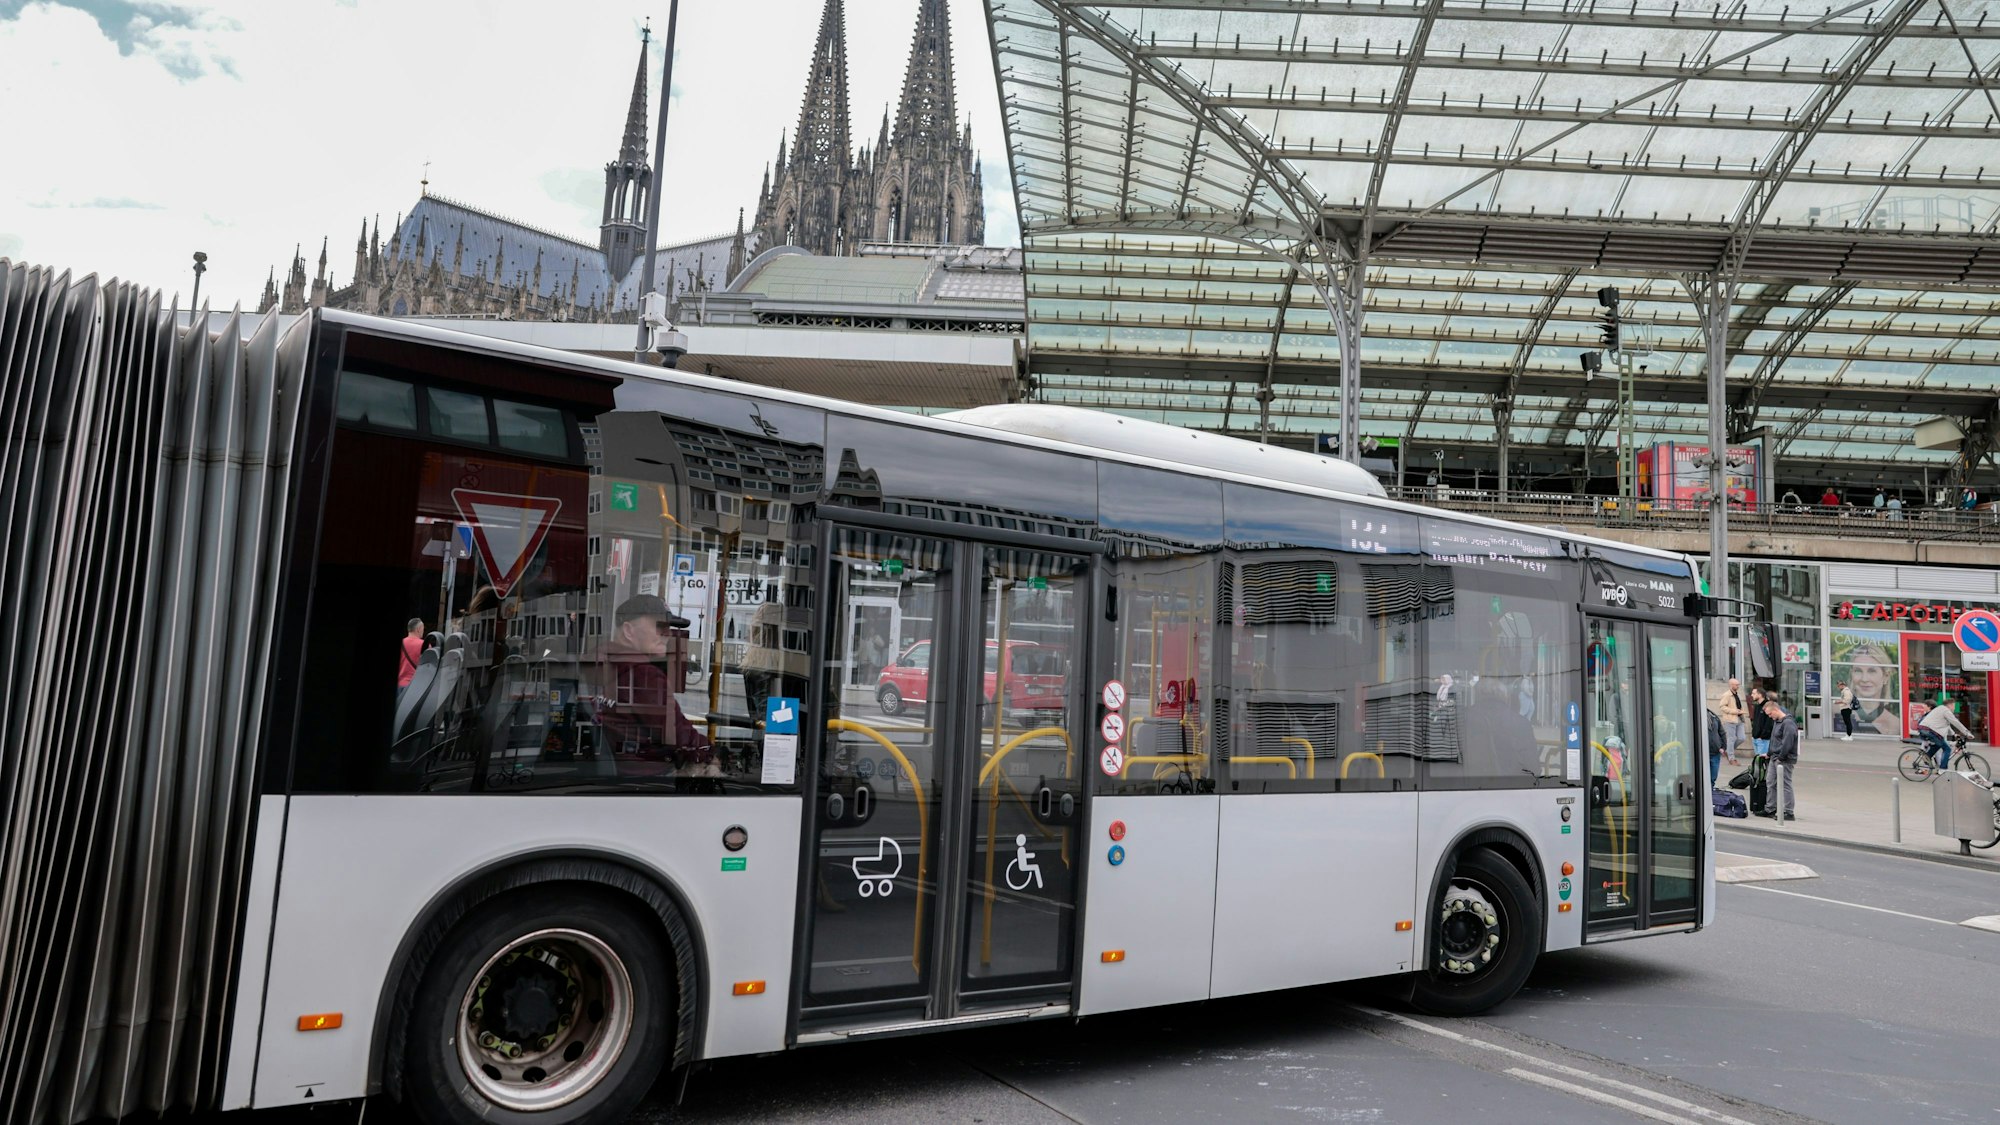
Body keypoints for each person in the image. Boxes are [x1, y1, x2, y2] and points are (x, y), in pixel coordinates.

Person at [598, 594, 714, 776]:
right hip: (650, 779)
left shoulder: (602, 667)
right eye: (660, 627)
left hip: (617, 776)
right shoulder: (644, 676)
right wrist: (712, 753)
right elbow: (679, 736)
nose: (668, 634)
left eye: (669, 628)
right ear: (629, 631)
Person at [1757, 699, 1799, 820]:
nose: (1770, 717)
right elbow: (1774, 739)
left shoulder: (1788, 723)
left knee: (1785, 784)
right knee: (1770, 782)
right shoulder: (1777, 721)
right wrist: (1769, 753)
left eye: (1770, 714)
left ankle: (1789, 812)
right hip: (1775, 757)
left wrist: (1781, 757)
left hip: (1784, 759)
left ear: (1776, 710)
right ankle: (1770, 808)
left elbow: (1788, 742)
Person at [1917, 699, 1974, 770]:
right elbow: (1955, 722)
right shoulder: (1946, 710)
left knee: (1938, 744)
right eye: (1954, 706)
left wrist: (1954, 734)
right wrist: (1967, 732)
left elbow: (1947, 725)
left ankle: (1927, 756)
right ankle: (1943, 769)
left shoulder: (1941, 709)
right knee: (1947, 749)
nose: (1954, 708)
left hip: (1925, 729)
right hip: (1929, 730)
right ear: (1950, 705)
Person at [1716, 678, 1747, 765]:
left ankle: (1728, 751)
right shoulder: (1727, 695)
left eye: (1738, 684)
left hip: (1739, 718)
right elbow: (1722, 707)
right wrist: (1734, 711)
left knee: (1742, 738)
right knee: (1731, 739)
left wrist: (1740, 711)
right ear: (1731, 685)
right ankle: (1731, 758)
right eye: (1736, 684)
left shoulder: (1737, 694)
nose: (1738, 686)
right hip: (1730, 720)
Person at [396, 618, 425, 704]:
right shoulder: (425, 645)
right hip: (415, 688)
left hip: (398, 686)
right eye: (423, 628)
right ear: (418, 629)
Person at [1705, 706, 1729, 787]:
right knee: (1704, 777)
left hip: (1715, 751)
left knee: (1713, 777)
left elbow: (1722, 732)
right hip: (1703, 752)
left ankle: (1711, 792)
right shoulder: (1695, 716)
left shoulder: (1713, 716)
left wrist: (1723, 747)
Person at [1748, 685, 1773, 759]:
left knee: (1762, 760)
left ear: (1760, 694)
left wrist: (1762, 736)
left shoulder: (1768, 705)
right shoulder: (1757, 706)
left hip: (1763, 738)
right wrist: (1753, 735)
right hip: (1755, 737)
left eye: (1754, 693)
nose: (1752, 695)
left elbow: (1769, 723)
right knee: (1757, 760)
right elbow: (1755, 721)